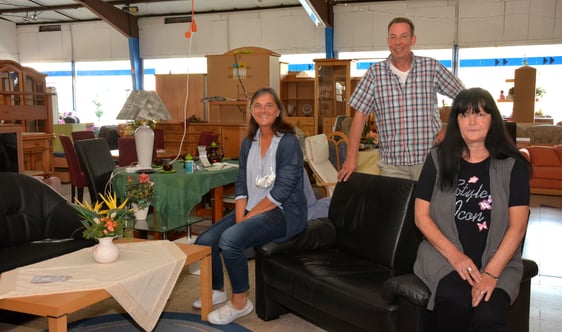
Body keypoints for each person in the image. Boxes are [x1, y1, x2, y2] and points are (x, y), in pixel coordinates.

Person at [413, 87, 531, 331]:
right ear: (456, 121)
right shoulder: (437, 159)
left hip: (498, 260)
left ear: (493, 120)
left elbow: (518, 227)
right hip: (443, 256)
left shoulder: (513, 166)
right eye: (464, 115)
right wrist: (455, 257)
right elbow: (421, 217)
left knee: (487, 316)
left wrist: (491, 273)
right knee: (453, 298)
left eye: (480, 114)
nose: (472, 121)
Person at [193, 87, 307, 325]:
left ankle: (240, 302)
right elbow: (242, 182)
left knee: (231, 240)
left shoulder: (288, 143)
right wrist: (239, 216)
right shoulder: (248, 143)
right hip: (253, 205)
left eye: (268, 106)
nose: (263, 110)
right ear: (251, 111)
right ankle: (217, 289)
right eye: (258, 106)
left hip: (283, 212)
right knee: (205, 241)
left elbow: (282, 192)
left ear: (278, 112)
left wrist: (247, 218)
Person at [338, 16, 465, 182]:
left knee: (429, 209)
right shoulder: (375, 74)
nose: (398, 42)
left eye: (403, 36)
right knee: (395, 209)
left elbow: (465, 98)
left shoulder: (431, 68)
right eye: (393, 37)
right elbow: (359, 116)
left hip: (429, 161)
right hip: (393, 166)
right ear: (388, 41)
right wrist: (351, 158)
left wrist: (451, 130)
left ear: (413, 39)